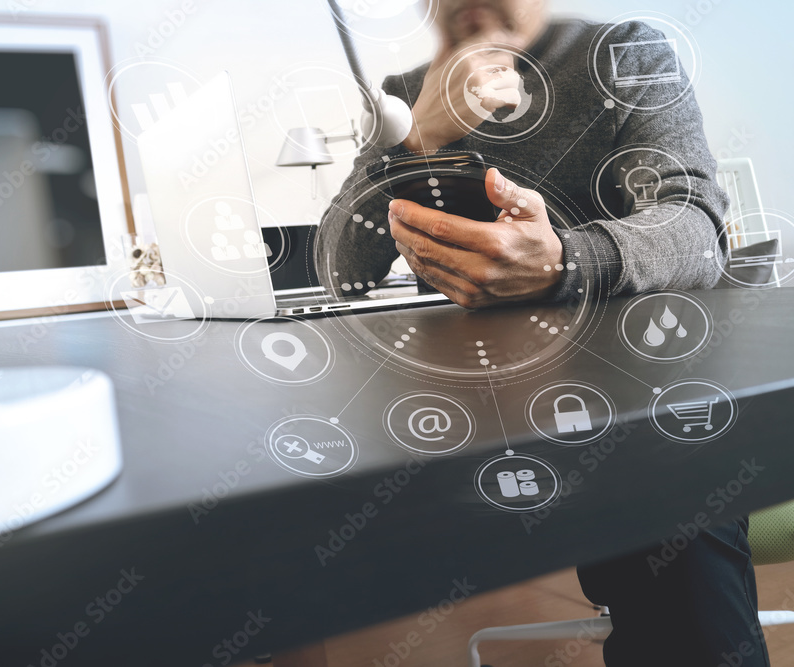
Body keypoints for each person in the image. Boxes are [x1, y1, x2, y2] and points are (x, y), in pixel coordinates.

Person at [314, 1, 769, 664]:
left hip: (635, 398)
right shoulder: (407, 96)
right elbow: (338, 269)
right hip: (474, 412)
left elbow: (695, 226)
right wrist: (413, 141)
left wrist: (567, 261)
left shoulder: (623, 52)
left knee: (673, 527)